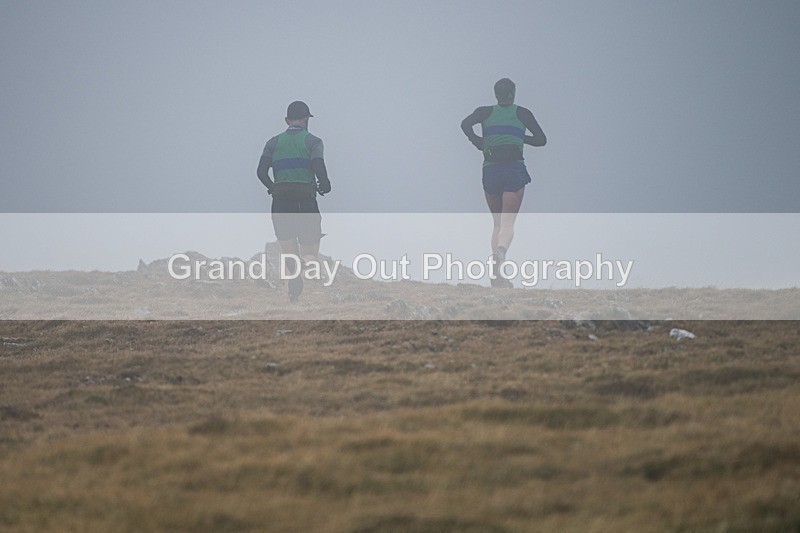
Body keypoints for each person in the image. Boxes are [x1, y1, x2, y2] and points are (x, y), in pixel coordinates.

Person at [461, 78, 546, 288]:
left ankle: (497, 274)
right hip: (513, 170)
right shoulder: (522, 113)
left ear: (495, 94)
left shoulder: (484, 112)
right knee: (508, 223)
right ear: (513, 93)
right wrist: (519, 136)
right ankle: (500, 253)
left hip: (490, 170)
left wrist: (479, 142)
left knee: (497, 223)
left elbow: (464, 124)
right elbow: (541, 140)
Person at [257, 101, 331, 301]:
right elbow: (318, 165)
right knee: (309, 250)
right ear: (307, 119)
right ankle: (305, 266)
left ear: (287, 120)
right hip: (305, 199)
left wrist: (273, 188)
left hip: (280, 202)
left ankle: (294, 287)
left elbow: (261, 172)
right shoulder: (313, 141)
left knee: (289, 250)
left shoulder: (272, 143)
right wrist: (325, 184)